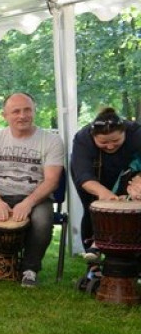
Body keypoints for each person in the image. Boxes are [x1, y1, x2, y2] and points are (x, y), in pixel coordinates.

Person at [0, 92, 64, 287]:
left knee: (43, 222)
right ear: (5, 115)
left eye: (27, 110)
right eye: (16, 111)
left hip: (35, 196)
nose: (22, 115)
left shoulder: (51, 141)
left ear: (34, 111)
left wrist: (28, 203)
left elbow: (52, 181)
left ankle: (30, 269)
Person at [69, 107, 141, 257]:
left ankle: (132, 259)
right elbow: (83, 175)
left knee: (132, 211)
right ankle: (93, 262)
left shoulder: (136, 133)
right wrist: (105, 194)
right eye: (103, 142)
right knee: (93, 211)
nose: (110, 146)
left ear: (124, 133)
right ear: (93, 136)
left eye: (116, 140)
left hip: (127, 174)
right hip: (92, 178)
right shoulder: (83, 138)